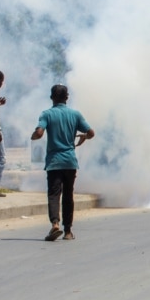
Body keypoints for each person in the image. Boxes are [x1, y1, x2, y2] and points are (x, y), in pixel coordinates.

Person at [31, 84, 95, 242]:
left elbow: (39, 133)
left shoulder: (47, 114)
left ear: (51, 97)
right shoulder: (75, 114)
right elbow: (91, 132)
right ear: (67, 98)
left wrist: (34, 135)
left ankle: (55, 223)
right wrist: (83, 137)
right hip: (70, 161)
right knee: (68, 195)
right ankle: (68, 231)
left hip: (54, 162)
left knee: (54, 194)